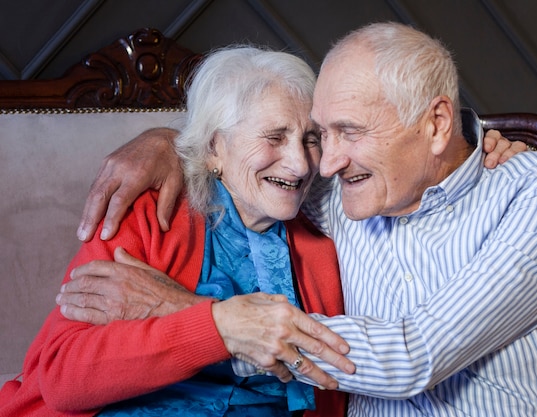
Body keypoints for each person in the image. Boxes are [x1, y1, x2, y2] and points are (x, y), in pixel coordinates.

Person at [32, 23, 537, 417]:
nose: (315, 162)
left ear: (436, 124)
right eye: (316, 135)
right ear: (214, 148)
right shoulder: (169, 209)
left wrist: (205, 319)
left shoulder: (536, 192)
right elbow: (62, 377)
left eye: (323, 136)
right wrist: (165, 144)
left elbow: (413, 357)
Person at [0, 46, 357, 417]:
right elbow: (64, 378)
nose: (300, 165)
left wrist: (183, 309)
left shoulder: (323, 240)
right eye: (274, 137)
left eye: (311, 139)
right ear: (215, 148)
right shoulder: (152, 212)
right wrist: (216, 326)